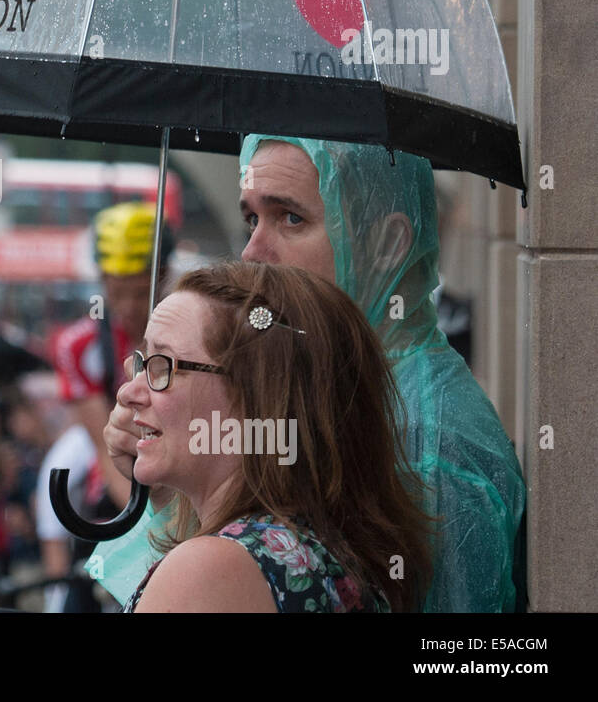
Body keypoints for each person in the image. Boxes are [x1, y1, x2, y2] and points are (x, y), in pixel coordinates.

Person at [96, 136, 526, 613]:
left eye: (291, 218)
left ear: (387, 244)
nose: (253, 252)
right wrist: (172, 481)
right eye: (252, 219)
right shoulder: (358, 395)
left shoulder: (433, 437)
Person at [120, 261, 432, 613]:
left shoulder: (212, 570)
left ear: (256, 395)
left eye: (163, 365)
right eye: (142, 361)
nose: (128, 392)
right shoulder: (314, 552)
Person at [46, 201, 173, 609]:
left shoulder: (193, 334)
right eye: (116, 292)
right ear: (101, 280)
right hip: (123, 494)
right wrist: (158, 527)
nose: (130, 307)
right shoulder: (78, 346)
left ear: (163, 277)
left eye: (141, 291)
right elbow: (103, 449)